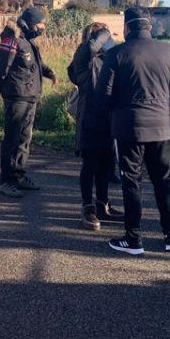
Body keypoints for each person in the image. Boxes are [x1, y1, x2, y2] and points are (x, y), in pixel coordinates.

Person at [97, 7, 170, 255]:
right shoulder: (169, 51)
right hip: (161, 127)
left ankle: (133, 239)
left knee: (131, 182)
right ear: (150, 26)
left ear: (126, 27)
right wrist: (163, 105)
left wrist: (119, 109)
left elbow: (103, 93)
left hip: (129, 128)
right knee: (163, 182)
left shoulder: (116, 54)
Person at [0, 6, 57, 198]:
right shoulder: (12, 40)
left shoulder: (29, 42)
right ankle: (6, 181)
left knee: (24, 140)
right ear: (29, 23)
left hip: (30, 97)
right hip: (16, 97)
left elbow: (35, 64)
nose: (43, 27)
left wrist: (48, 72)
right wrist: (4, 89)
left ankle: (18, 175)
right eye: (41, 23)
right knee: (11, 139)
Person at [67, 22, 122, 230]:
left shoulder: (108, 58)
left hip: (108, 117)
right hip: (89, 117)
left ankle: (103, 203)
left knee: (106, 164)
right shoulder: (83, 56)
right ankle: (87, 207)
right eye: (102, 36)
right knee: (90, 164)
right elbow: (89, 48)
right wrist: (105, 33)